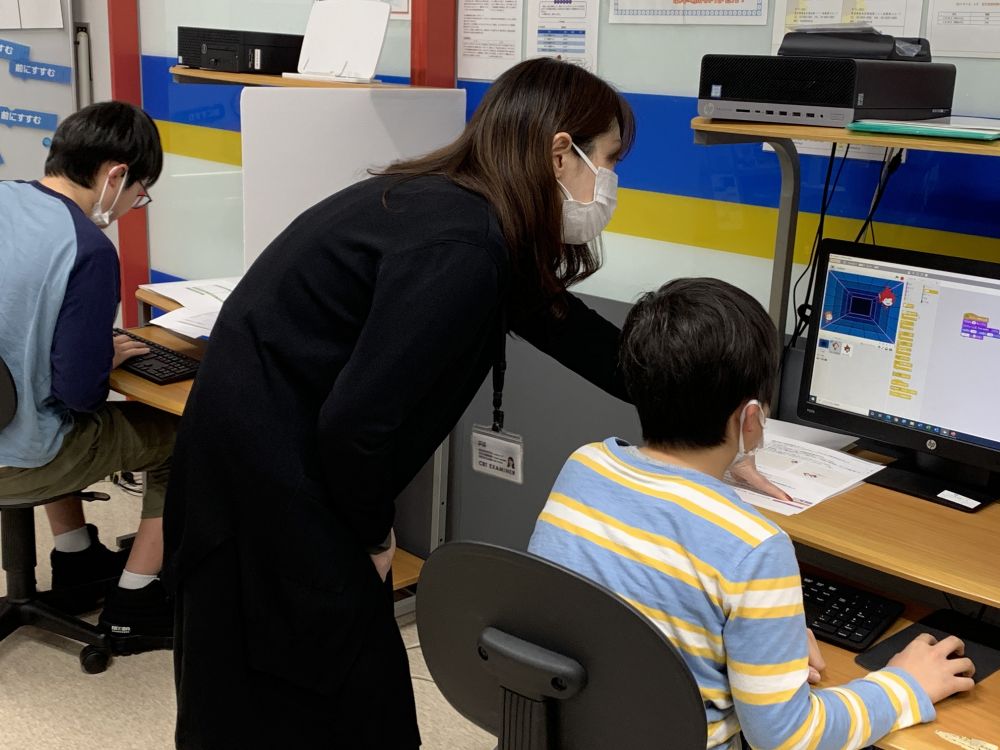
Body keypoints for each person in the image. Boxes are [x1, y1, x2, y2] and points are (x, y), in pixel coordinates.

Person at [528, 278, 976, 750]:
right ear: (751, 420)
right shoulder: (754, 545)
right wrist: (904, 686)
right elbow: (788, 739)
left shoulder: (584, 466)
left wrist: (761, 644)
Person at [0, 101, 176, 652]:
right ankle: (136, 602)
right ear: (115, 174)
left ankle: (76, 556)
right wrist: (105, 358)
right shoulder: (88, 249)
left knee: (44, 403)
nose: (131, 206)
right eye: (139, 193)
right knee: (188, 437)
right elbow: (78, 394)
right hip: (18, 462)